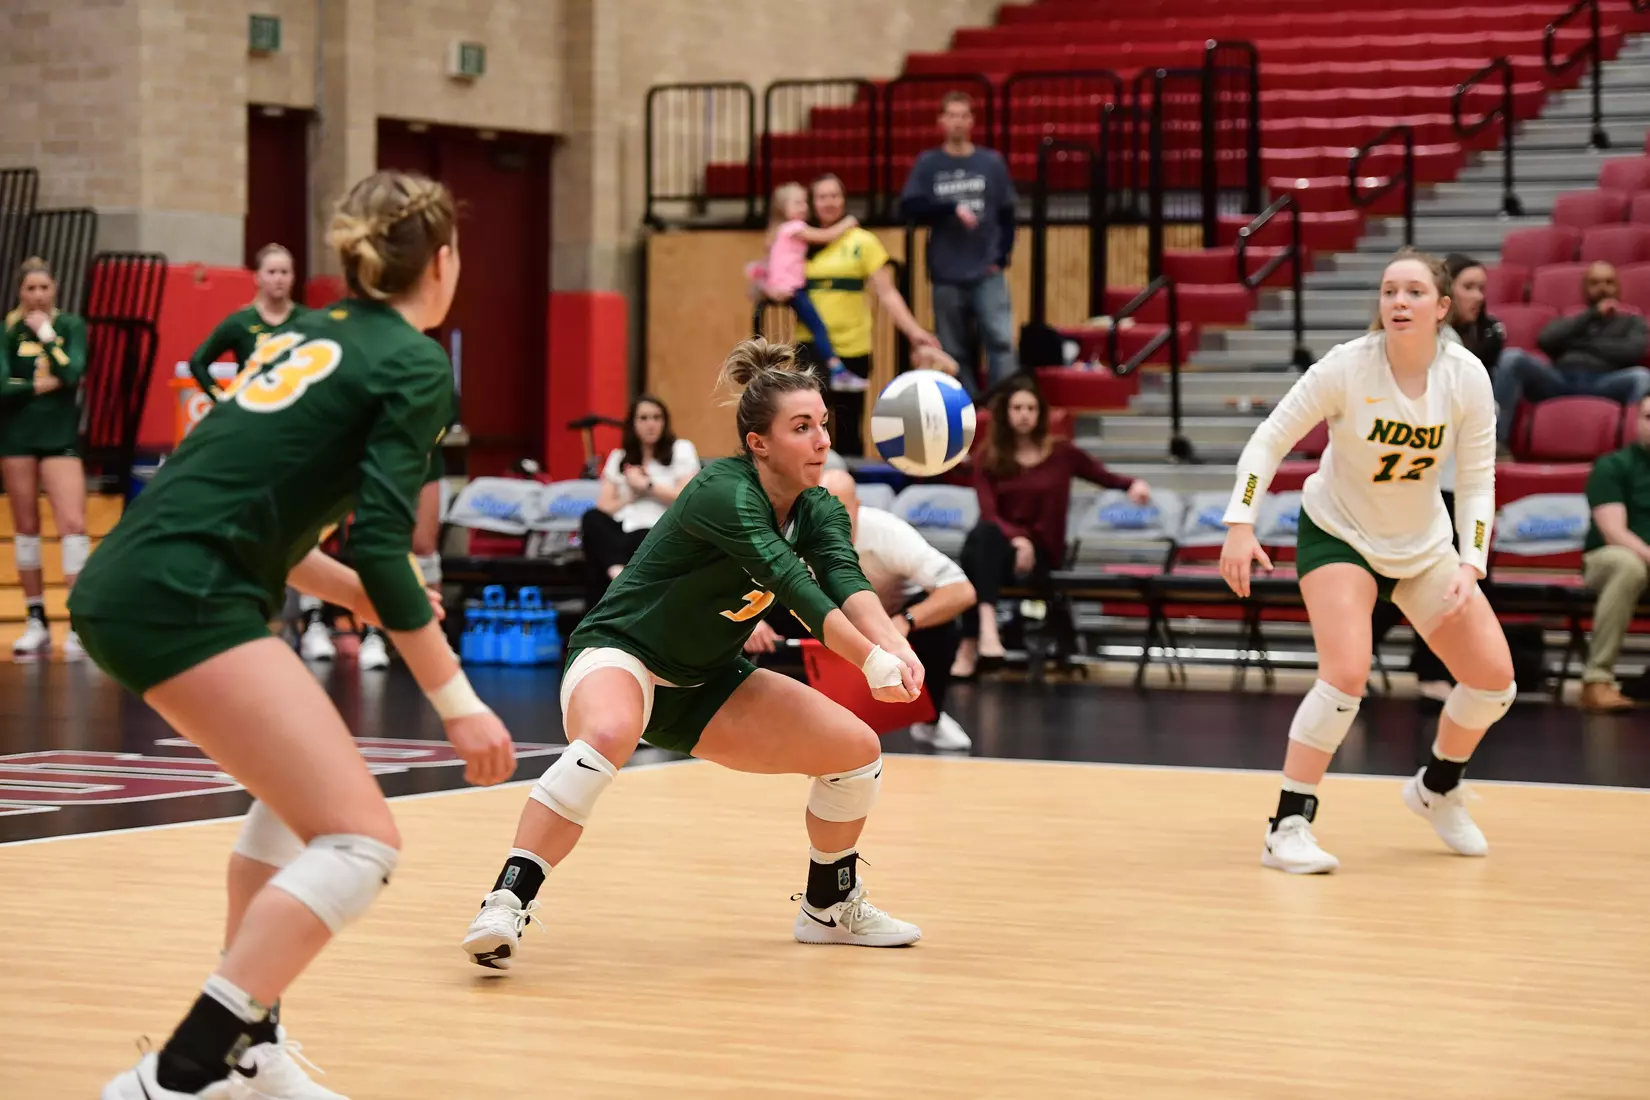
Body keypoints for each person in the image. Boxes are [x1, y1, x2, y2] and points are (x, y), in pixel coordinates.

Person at [77, 170, 518, 1100]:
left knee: (289, 805)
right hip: (183, 594)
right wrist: (459, 702)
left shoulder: (306, 333)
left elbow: (277, 528)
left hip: (142, 574)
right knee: (361, 842)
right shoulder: (412, 363)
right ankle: (179, 1075)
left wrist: (359, 595)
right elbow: (389, 550)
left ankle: (254, 1050)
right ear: (443, 263)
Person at [460, 338, 926, 969]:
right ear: (758, 443)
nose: (821, 441)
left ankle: (829, 905)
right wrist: (870, 663)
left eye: (823, 425)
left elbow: (846, 581)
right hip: (621, 653)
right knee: (611, 732)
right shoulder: (722, 491)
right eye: (801, 428)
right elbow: (795, 588)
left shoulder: (818, 508)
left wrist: (896, 645)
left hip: (707, 679)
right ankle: (505, 902)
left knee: (856, 752)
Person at [1219, 247, 1517, 875]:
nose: (1398, 302)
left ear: (1442, 308)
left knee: (1494, 682)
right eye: (1389, 291)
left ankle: (1436, 789)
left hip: (1423, 546)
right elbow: (1269, 439)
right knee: (1346, 675)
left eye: (1414, 292)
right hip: (1341, 534)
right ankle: (1287, 827)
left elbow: (1477, 481)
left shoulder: (1466, 377)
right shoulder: (1347, 366)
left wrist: (1471, 563)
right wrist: (1241, 522)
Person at [745, 468, 978, 750]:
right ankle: (740, 718)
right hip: (814, 614)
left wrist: (904, 621)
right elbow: (735, 582)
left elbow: (961, 590)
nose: (829, 520)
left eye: (839, 510)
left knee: (941, 623)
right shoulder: (785, 534)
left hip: (888, 618)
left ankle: (931, 720)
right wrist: (753, 622)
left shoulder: (889, 533)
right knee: (742, 621)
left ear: (858, 507)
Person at [1370, 253, 1503, 700]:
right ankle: (1422, 671)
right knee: (1425, 583)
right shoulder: (1437, 345)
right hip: (1432, 485)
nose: (1478, 297)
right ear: (1444, 298)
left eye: (1482, 288)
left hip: (1457, 483)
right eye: (1469, 287)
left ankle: (1422, 666)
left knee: (1452, 580)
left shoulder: (1472, 342)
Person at [952, 377, 1149, 678]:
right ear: (1005, 413)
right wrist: (1018, 540)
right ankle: (987, 631)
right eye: (1017, 408)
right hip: (1001, 550)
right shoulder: (987, 457)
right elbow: (989, 513)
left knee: (974, 555)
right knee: (982, 539)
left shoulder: (1061, 453)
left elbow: (1103, 476)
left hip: (1043, 553)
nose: (1024, 414)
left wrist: (1132, 484)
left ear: (1041, 413)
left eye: (1031, 408)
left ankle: (969, 646)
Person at [790, 173, 942, 457]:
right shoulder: (800, 240)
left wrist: (914, 331)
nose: (829, 202)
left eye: (835, 196)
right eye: (822, 197)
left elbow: (887, 293)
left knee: (848, 425)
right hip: (810, 347)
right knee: (808, 425)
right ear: (812, 202)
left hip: (852, 346)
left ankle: (849, 481)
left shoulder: (863, 241)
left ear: (844, 200)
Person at [899, 91, 1018, 397]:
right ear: (941, 121)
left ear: (972, 121)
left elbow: (1008, 214)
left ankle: (1003, 405)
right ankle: (968, 407)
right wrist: (949, 208)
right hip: (946, 271)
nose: (957, 122)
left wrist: (1001, 257)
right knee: (953, 348)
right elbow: (909, 206)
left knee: (1001, 339)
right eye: (951, 115)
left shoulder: (990, 162)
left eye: (964, 115)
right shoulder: (929, 164)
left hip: (986, 269)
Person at [3, 257, 89, 659]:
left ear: (54, 289)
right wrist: (40, 385)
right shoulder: (7, 330)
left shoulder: (70, 326)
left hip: (59, 437)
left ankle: (77, 623)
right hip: (17, 437)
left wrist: (47, 335)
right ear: (20, 292)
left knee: (73, 525)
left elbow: (73, 373)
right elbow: (1, 386)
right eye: (30, 288)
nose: (37, 295)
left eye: (44, 288)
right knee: (25, 527)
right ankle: (35, 619)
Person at [1492, 261, 1650, 445]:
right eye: (1595, 283)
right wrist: (1592, 315)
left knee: (1641, 377)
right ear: (1584, 288)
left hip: (1607, 382)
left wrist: (1581, 344)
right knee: (1512, 358)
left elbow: (1632, 351)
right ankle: (1496, 442)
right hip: (1560, 380)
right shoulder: (1573, 320)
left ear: (1618, 288)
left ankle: (1633, 451)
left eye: (1609, 282)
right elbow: (1545, 340)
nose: (1602, 288)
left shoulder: (1632, 322)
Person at [578, 393, 701, 611]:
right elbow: (604, 508)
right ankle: (619, 577)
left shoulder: (681, 450)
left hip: (660, 528)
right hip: (624, 529)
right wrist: (632, 494)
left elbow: (686, 498)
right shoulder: (619, 457)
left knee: (640, 538)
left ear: (664, 422)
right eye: (643, 418)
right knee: (591, 518)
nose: (650, 424)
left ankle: (621, 584)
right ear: (633, 424)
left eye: (656, 417)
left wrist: (648, 485)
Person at [1578, 394, 1650, 712]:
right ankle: (1597, 680)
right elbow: (1614, 533)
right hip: (1605, 559)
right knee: (1629, 565)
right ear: (1636, 422)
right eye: (1648, 417)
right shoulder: (1613, 466)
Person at [761, 181, 858, 391]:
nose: (804, 207)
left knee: (813, 326)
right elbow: (825, 236)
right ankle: (836, 368)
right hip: (791, 288)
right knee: (818, 327)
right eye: (797, 203)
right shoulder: (795, 228)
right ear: (783, 208)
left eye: (805, 202)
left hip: (785, 286)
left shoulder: (780, 231)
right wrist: (847, 223)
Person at [188, 243, 311, 398]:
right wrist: (221, 399)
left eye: (284, 272)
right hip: (251, 405)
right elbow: (198, 362)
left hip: (294, 406)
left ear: (293, 277)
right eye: (271, 272)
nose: (278, 279)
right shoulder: (240, 321)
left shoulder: (308, 320)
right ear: (258, 277)